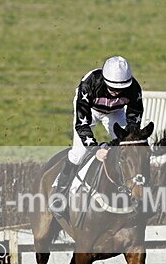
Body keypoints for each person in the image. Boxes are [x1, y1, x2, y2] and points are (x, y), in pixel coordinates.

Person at [50, 56, 145, 217]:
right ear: (105, 79)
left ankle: (131, 192)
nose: (117, 92)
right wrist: (95, 149)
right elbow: (82, 124)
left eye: (122, 88)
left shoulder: (134, 88)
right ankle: (60, 194)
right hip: (90, 111)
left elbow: (134, 122)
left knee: (129, 150)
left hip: (115, 112)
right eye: (113, 87)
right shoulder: (89, 84)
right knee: (79, 154)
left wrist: (121, 141)